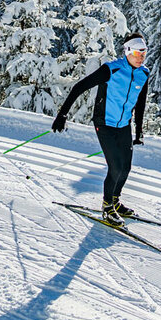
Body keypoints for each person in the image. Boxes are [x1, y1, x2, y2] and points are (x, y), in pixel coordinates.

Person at [52, 32, 149, 225]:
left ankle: (115, 201)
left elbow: (140, 103)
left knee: (126, 167)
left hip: (123, 125)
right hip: (104, 123)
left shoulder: (143, 74)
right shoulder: (111, 70)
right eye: (138, 53)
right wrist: (62, 115)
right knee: (115, 167)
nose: (141, 57)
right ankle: (107, 208)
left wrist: (138, 131)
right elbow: (78, 87)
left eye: (144, 53)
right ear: (128, 51)